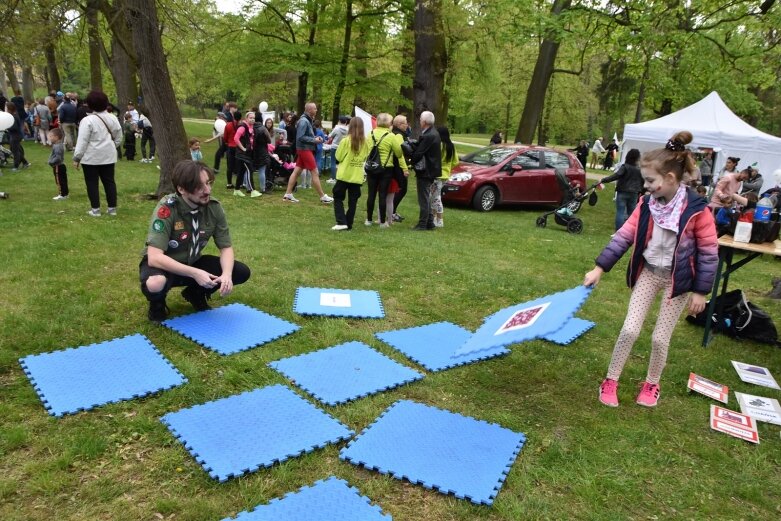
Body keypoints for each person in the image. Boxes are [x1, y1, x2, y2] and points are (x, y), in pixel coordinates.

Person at [584, 131, 718, 408]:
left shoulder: (697, 211)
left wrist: (700, 291)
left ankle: (652, 384)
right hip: (649, 273)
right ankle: (610, 379)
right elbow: (623, 236)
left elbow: (708, 253)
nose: (645, 187)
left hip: (677, 281)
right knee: (630, 330)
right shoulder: (646, 205)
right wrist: (599, 268)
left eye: (649, 181)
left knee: (660, 338)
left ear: (669, 179)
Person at [139, 160, 251, 321]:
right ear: (181, 189)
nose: (207, 190)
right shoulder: (167, 209)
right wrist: (195, 273)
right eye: (199, 187)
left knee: (239, 272)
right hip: (164, 265)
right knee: (156, 283)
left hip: (192, 261)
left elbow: (226, 247)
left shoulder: (214, 208)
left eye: (208, 183)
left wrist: (226, 275)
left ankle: (195, 293)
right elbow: (155, 257)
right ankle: (157, 304)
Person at [72, 90, 123, 217]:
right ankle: (112, 209)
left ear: (89, 104)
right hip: (108, 156)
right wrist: (110, 146)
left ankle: (95, 209)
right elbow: (118, 137)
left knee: (91, 183)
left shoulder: (87, 121)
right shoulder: (113, 118)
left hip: (91, 157)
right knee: (109, 182)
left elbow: (82, 141)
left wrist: (77, 157)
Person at [282, 102, 333, 204]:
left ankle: (288, 194)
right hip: (304, 150)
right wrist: (314, 140)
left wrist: (314, 138)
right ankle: (323, 196)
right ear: (309, 110)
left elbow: (305, 135)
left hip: (304, 149)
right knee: (314, 172)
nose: (316, 110)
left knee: (296, 172)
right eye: (315, 109)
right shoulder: (304, 121)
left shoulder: (307, 120)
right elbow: (300, 137)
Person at [365, 113, 409, 227]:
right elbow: (399, 153)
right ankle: (383, 222)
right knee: (383, 195)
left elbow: (365, 150)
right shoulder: (391, 136)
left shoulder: (370, 134)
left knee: (371, 194)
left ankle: (368, 220)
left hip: (371, 167)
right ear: (389, 123)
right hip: (386, 169)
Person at [331, 117, 369, 231]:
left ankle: (341, 221)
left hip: (344, 174)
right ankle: (349, 222)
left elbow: (338, 156)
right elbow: (365, 158)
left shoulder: (346, 141)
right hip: (357, 175)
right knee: (353, 201)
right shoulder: (366, 142)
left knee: (337, 196)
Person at [410, 111, 441, 230]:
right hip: (431, 170)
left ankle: (422, 224)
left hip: (426, 170)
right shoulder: (434, 133)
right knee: (426, 196)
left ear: (424, 122)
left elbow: (419, 153)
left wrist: (411, 160)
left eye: (420, 120)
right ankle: (430, 222)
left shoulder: (428, 135)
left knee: (423, 198)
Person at [600, 148, 643, 230]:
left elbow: (616, 176)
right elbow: (642, 181)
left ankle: (619, 230)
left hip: (623, 191)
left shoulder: (625, 167)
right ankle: (631, 230)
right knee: (631, 212)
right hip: (634, 193)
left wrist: (604, 180)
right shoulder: (639, 169)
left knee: (620, 211)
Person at [434, 126, 459, 228]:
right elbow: (456, 161)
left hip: (437, 174)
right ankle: (434, 217)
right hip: (445, 175)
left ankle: (439, 219)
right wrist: (448, 168)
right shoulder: (451, 146)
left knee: (436, 198)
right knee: (435, 196)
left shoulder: (439, 145)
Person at [233, 111, 260, 197]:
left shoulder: (252, 127)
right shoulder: (243, 127)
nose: (252, 119)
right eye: (250, 118)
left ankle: (236, 190)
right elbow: (236, 138)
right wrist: (243, 148)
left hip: (248, 154)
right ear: (246, 119)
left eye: (253, 118)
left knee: (241, 172)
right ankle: (252, 190)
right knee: (249, 170)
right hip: (242, 154)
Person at [391, 114, 413, 222]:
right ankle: (392, 212)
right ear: (399, 124)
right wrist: (405, 168)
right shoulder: (399, 135)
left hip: (395, 165)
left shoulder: (395, 133)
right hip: (398, 166)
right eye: (405, 123)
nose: (407, 125)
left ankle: (392, 211)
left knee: (397, 189)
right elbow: (400, 153)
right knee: (402, 189)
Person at [5, 104, 30, 171]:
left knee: (15, 152)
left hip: (15, 136)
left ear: (10, 109)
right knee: (15, 150)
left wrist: (7, 127)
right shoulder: (13, 116)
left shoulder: (14, 117)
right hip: (15, 136)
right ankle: (25, 163)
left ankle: (16, 166)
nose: (6, 110)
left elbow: (15, 127)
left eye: (7, 108)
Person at [327, 115, 349, 183]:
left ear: (339, 121)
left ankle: (333, 178)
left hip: (334, 147)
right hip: (343, 147)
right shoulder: (348, 130)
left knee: (333, 162)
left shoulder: (336, 129)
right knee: (341, 163)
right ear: (346, 122)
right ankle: (340, 177)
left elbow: (329, 136)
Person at [48, 127, 68, 200]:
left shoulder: (58, 146)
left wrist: (51, 162)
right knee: (63, 180)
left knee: (59, 180)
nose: (49, 138)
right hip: (59, 166)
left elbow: (58, 157)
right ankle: (65, 193)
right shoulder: (57, 145)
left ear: (56, 137)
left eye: (51, 136)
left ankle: (62, 194)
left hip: (58, 166)